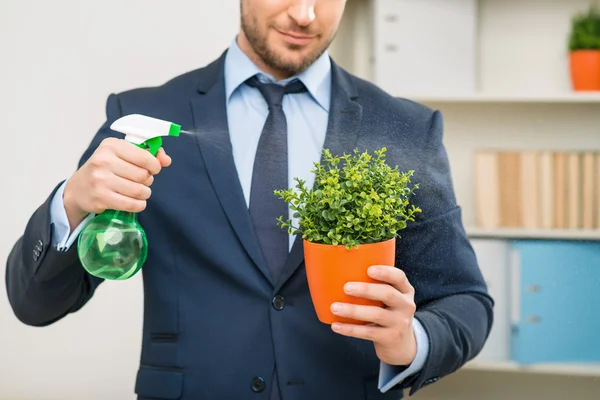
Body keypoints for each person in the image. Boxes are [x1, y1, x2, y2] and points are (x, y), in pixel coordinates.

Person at [5, 0, 493, 399]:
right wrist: (71, 203)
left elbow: (465, 299)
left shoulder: (404, 127)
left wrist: (411, 342)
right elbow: (35, 304)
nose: (306, 14)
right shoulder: (141, 118)